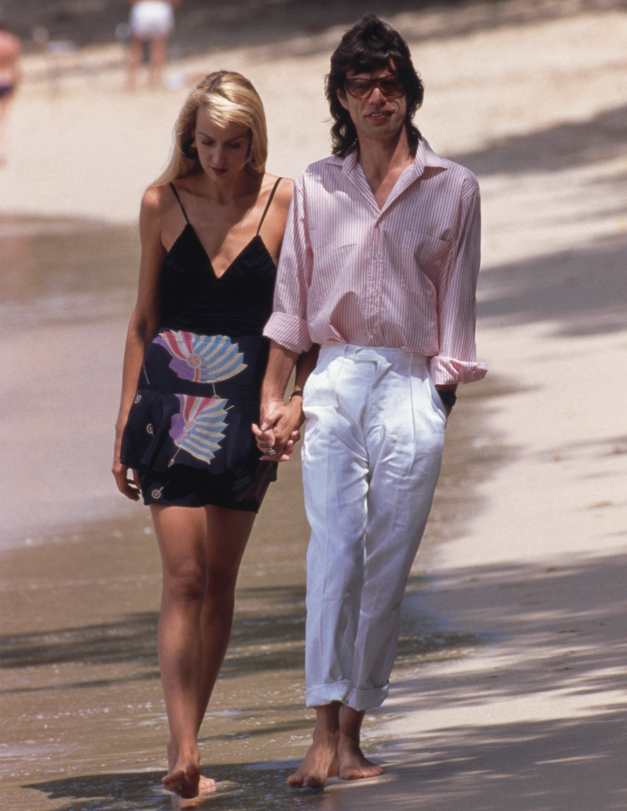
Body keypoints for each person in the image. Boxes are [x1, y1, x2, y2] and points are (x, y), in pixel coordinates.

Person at [254, 14, 487, 789]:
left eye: (391, 81)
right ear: (343, 97)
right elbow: (291, 307)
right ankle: (321, 732)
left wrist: (438, 400)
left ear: (409, 91)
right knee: (335, 551)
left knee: (387, 564)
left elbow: (457, 310)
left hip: (414, 383)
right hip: (336, 379)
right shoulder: (317, 184)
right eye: (363, 83)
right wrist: (274, 400)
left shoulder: (455, 189)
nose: (379, 95)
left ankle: (353, 733)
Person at [112, 70, 305, 801]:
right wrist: (123, 421)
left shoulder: (288, 202)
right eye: (206, 143)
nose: (219, 158)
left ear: (253, 138)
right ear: (187, 137)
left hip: (245, 412)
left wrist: (295, 402)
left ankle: (191, 730)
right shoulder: (162, 202)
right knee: (183, 576)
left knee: (220, 582)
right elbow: (141, 321)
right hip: (168, 407)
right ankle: (183, 743)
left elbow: (305, 326)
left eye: (232, 144)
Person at [125, 0, 180, 90]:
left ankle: (131, 82)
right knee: (159, 47)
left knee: (136, 47)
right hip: (161, 7)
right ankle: (154, 82)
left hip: (143, 7)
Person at [0, 21, 21, 165]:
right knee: (2, 118)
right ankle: (2, 152)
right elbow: (15, 67)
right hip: (6, 80)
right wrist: (16, 84)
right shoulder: (11, 41)